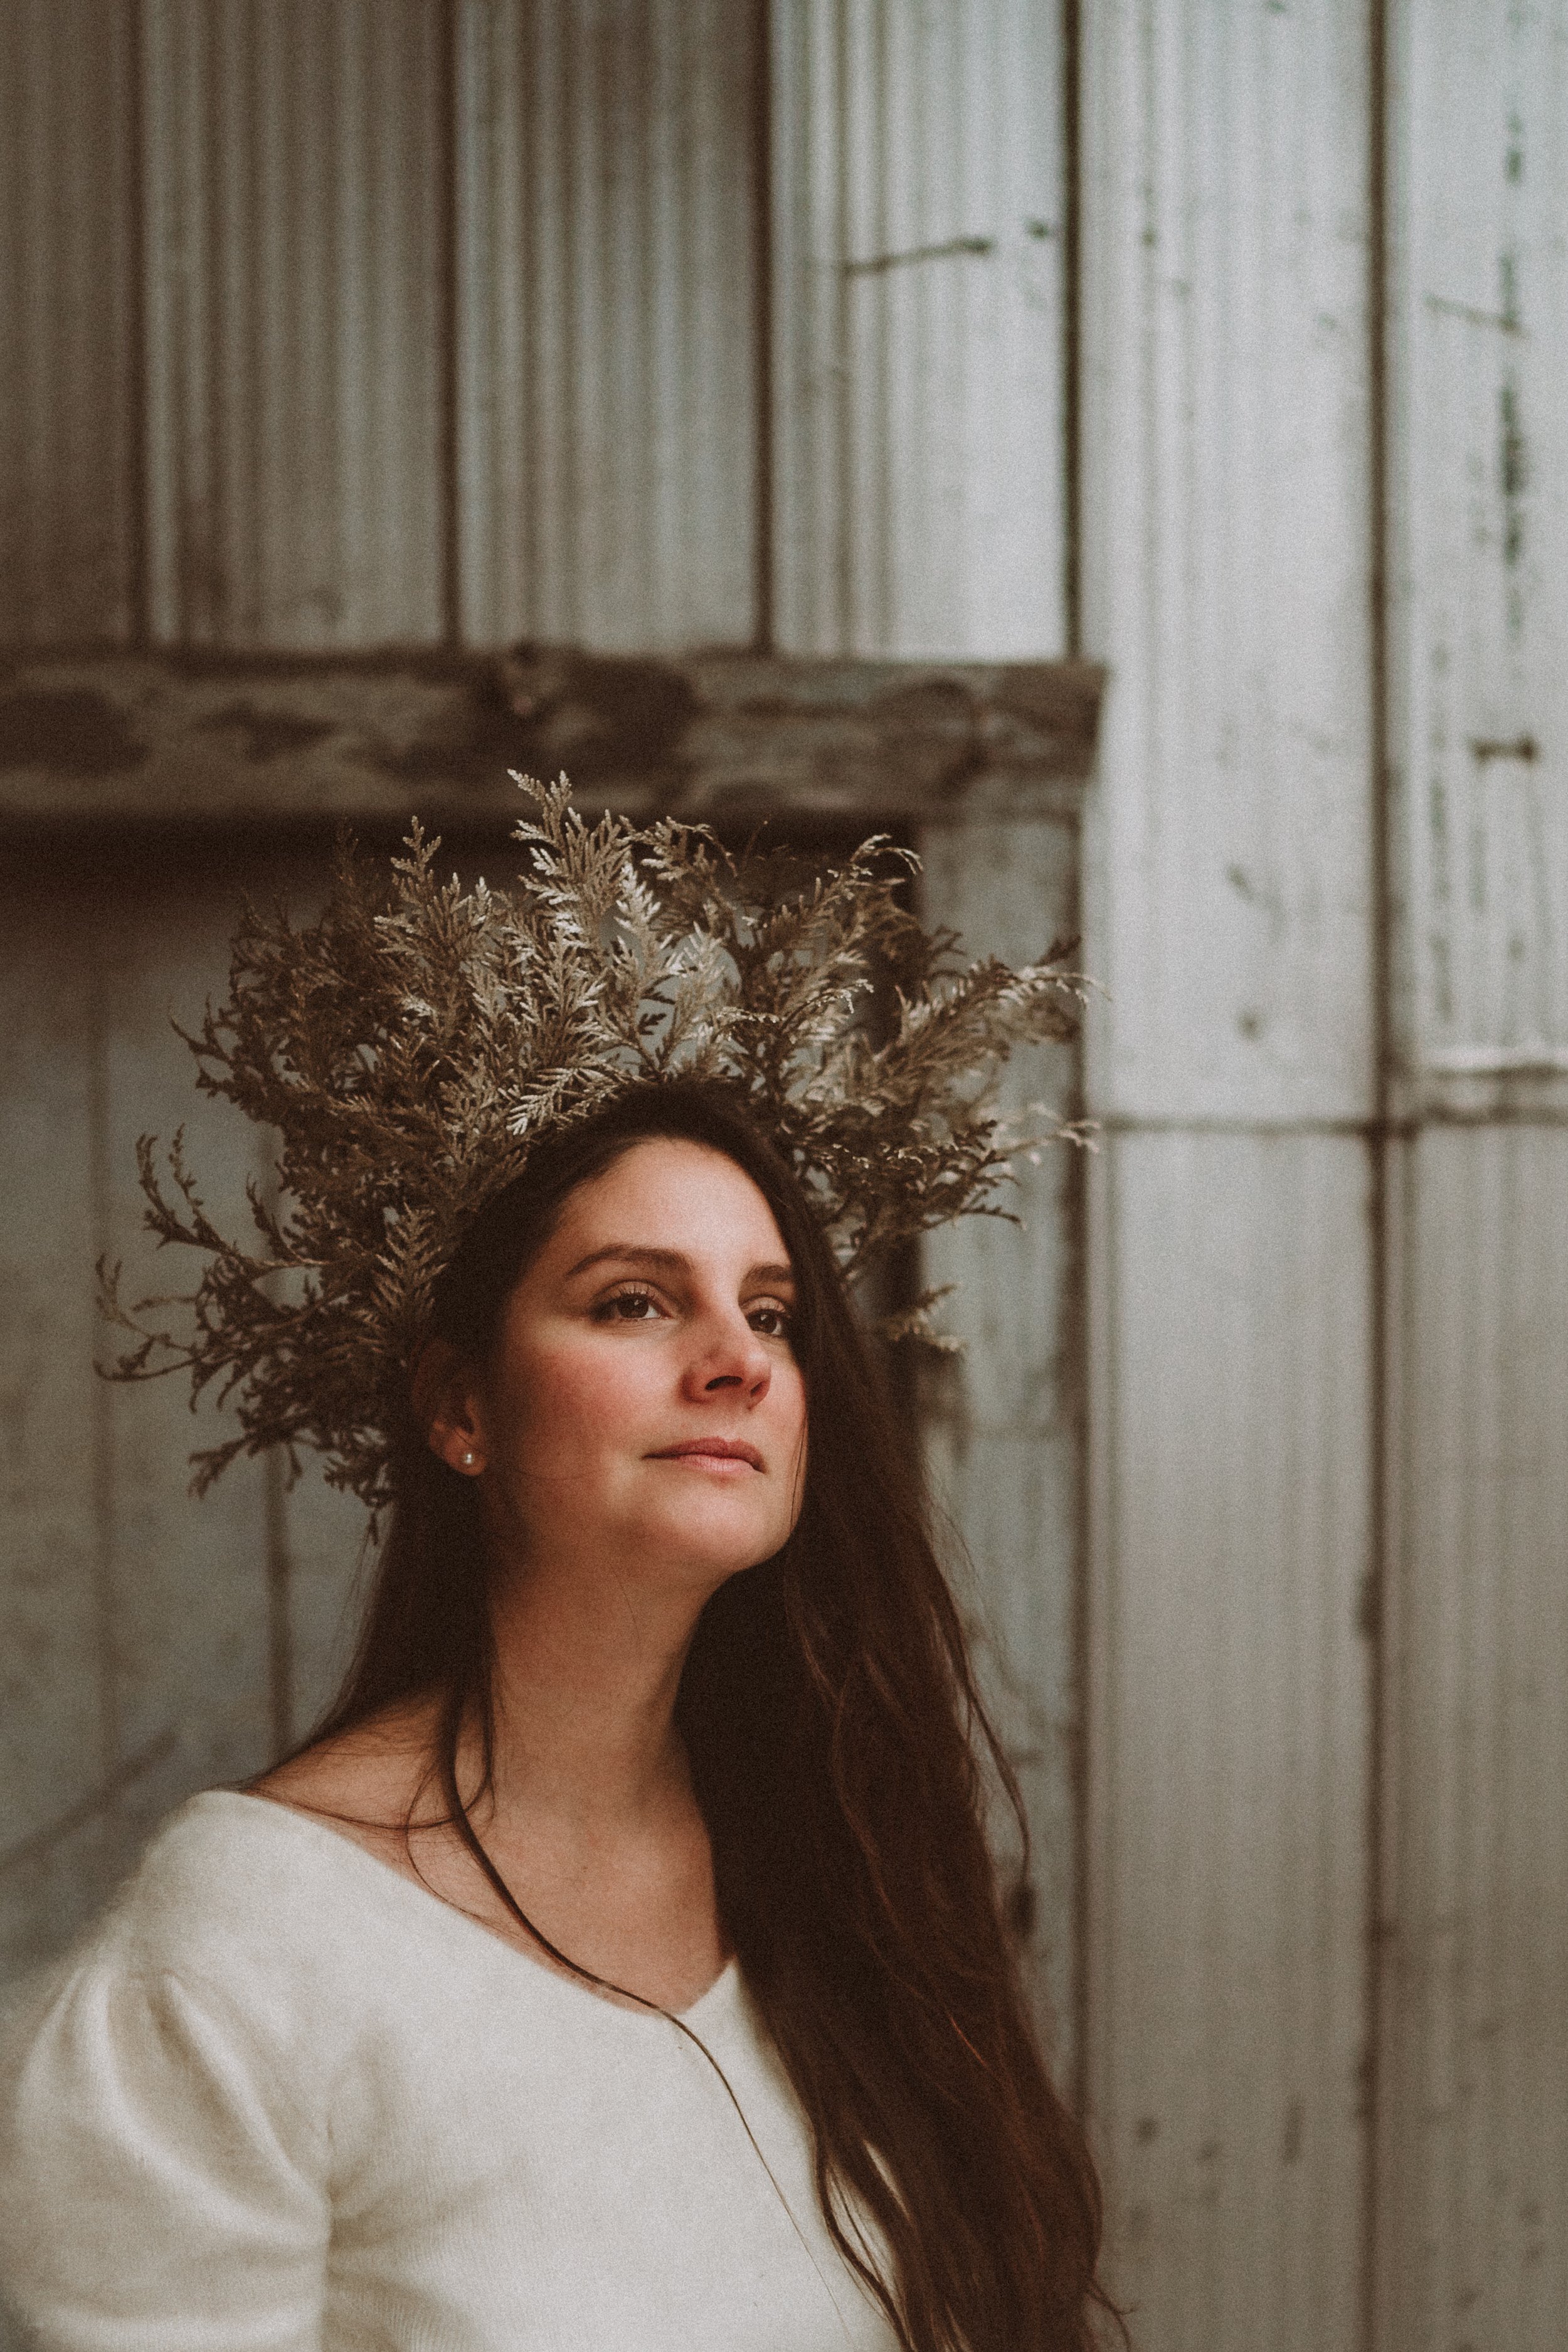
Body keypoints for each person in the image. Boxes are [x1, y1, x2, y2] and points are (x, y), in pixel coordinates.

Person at [0, 787, 1119, 2351]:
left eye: (775, 1311)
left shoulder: (833, 1863)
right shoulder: (246, 1947)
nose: (736, 1359)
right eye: (634, 1303)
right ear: (461, 1408)